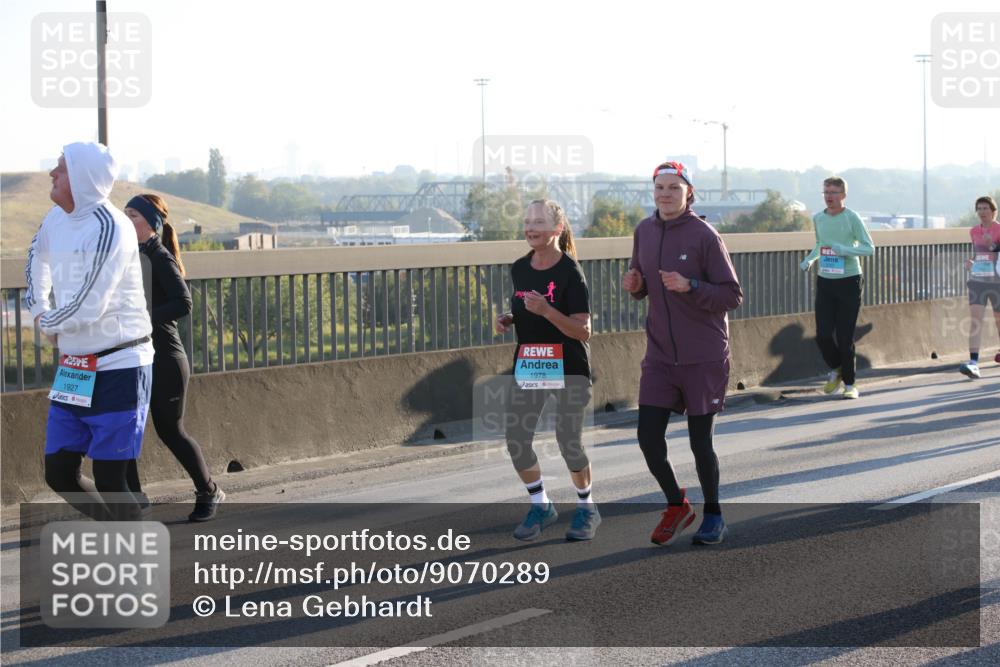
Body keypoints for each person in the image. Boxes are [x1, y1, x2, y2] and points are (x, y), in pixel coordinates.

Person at [24, 142, 153, 521]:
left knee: (112, 479)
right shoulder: (55, 219)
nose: (52, 173)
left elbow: (90, 302)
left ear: (80, 178)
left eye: (60, 169)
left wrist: (49, 323)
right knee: (59, 473)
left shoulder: (111, 226)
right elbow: (35, 260)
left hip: (120, 363)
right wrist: (38, 312)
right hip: (75, 367)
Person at [622, 161, 743, 546]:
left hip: (703, 355)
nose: (665, 194)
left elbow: (731, 295)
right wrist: (635, 285)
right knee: (647, 437)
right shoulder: (643, 231)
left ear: (689, 192)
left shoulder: (704, 235)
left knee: (699, 442)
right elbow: (643, 284)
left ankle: (714, 515)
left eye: (674, 187)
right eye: (660, 188)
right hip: (659, 356)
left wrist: (690, 285)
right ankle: (677, 505)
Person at [495, 199, 598, 541]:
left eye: (538, 222)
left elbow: (583, 331)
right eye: (526, 221)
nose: (530, 227)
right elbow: (523, 306)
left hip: (568, 364)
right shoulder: (519, 267)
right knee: (516, 440)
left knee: (568, 441)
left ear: (557, 229)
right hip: (533, 360)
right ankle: (541, 504)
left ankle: (587, 507)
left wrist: (546, 311)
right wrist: (510, 318)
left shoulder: (571, 272)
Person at [123, 193, 224, 521]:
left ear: (151, 224)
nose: (127, 220)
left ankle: (209, 491)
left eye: (134, 215)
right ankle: (133, 500)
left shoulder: (159, 255)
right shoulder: (132, 255)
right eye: (124, 214)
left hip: (165, 359)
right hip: (136, 358)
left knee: (170, 431)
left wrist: (142, 315)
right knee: (124, 428)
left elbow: (183, 303)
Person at [799, 176, 875, 399]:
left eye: (833, 192)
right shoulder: (818, 219)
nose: (829, 197)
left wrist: (846, 250)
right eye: (825, 192)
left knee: (844, 336)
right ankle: (837, 368)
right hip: (826, 280)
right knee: (822, 335)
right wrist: (810, 259)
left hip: (850, 280)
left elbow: (869, 248)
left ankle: (850, 386)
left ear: (843, 195)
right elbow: (821, 244)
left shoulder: (852, 218)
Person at [958, 195, 1000, 379]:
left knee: (999, 320)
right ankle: (973, 363)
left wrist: (992, 245)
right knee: (975, 320)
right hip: (978, 280)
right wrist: (971, 262)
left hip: (997, 281)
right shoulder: (974, 231)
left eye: (985, 208)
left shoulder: (999, 229)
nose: (982, 212)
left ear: (993, 211)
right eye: (979, 208)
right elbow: (979, 254)